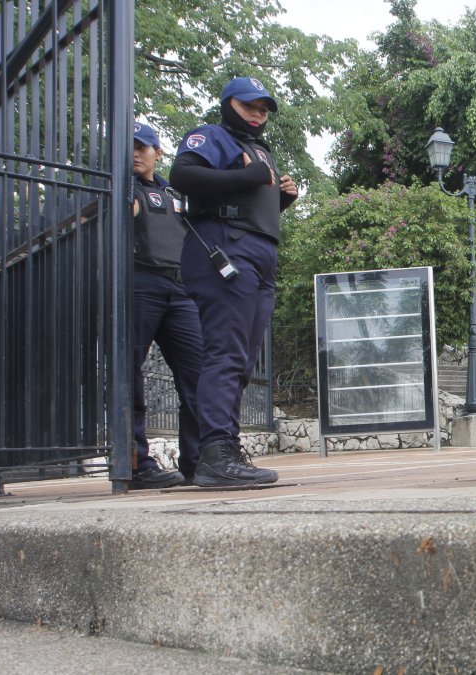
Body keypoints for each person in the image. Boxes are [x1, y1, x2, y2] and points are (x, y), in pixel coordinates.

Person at [169, 76, 297, 487]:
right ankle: (215, 454)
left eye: (264, 108)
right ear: (228, 104)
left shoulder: (260, 152)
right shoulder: (212, 136)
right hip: (226, 250)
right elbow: (183, 177)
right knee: (225, 353)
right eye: (249, 105)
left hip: (259, 255)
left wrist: (281, 199)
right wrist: (250, 177)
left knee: (242, 361)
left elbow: (249, 202)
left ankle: (222, 449)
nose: (258, 113)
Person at [129, 122, 203, 489]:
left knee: (198, 376)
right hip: (138, 283)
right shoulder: (113, 188)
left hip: (180, 288)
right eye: (129, 146)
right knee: (130, 375)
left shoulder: (176, 193)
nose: (136, 153)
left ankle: (199, 460)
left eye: (143, 146)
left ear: (158, 152)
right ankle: (135, 463)